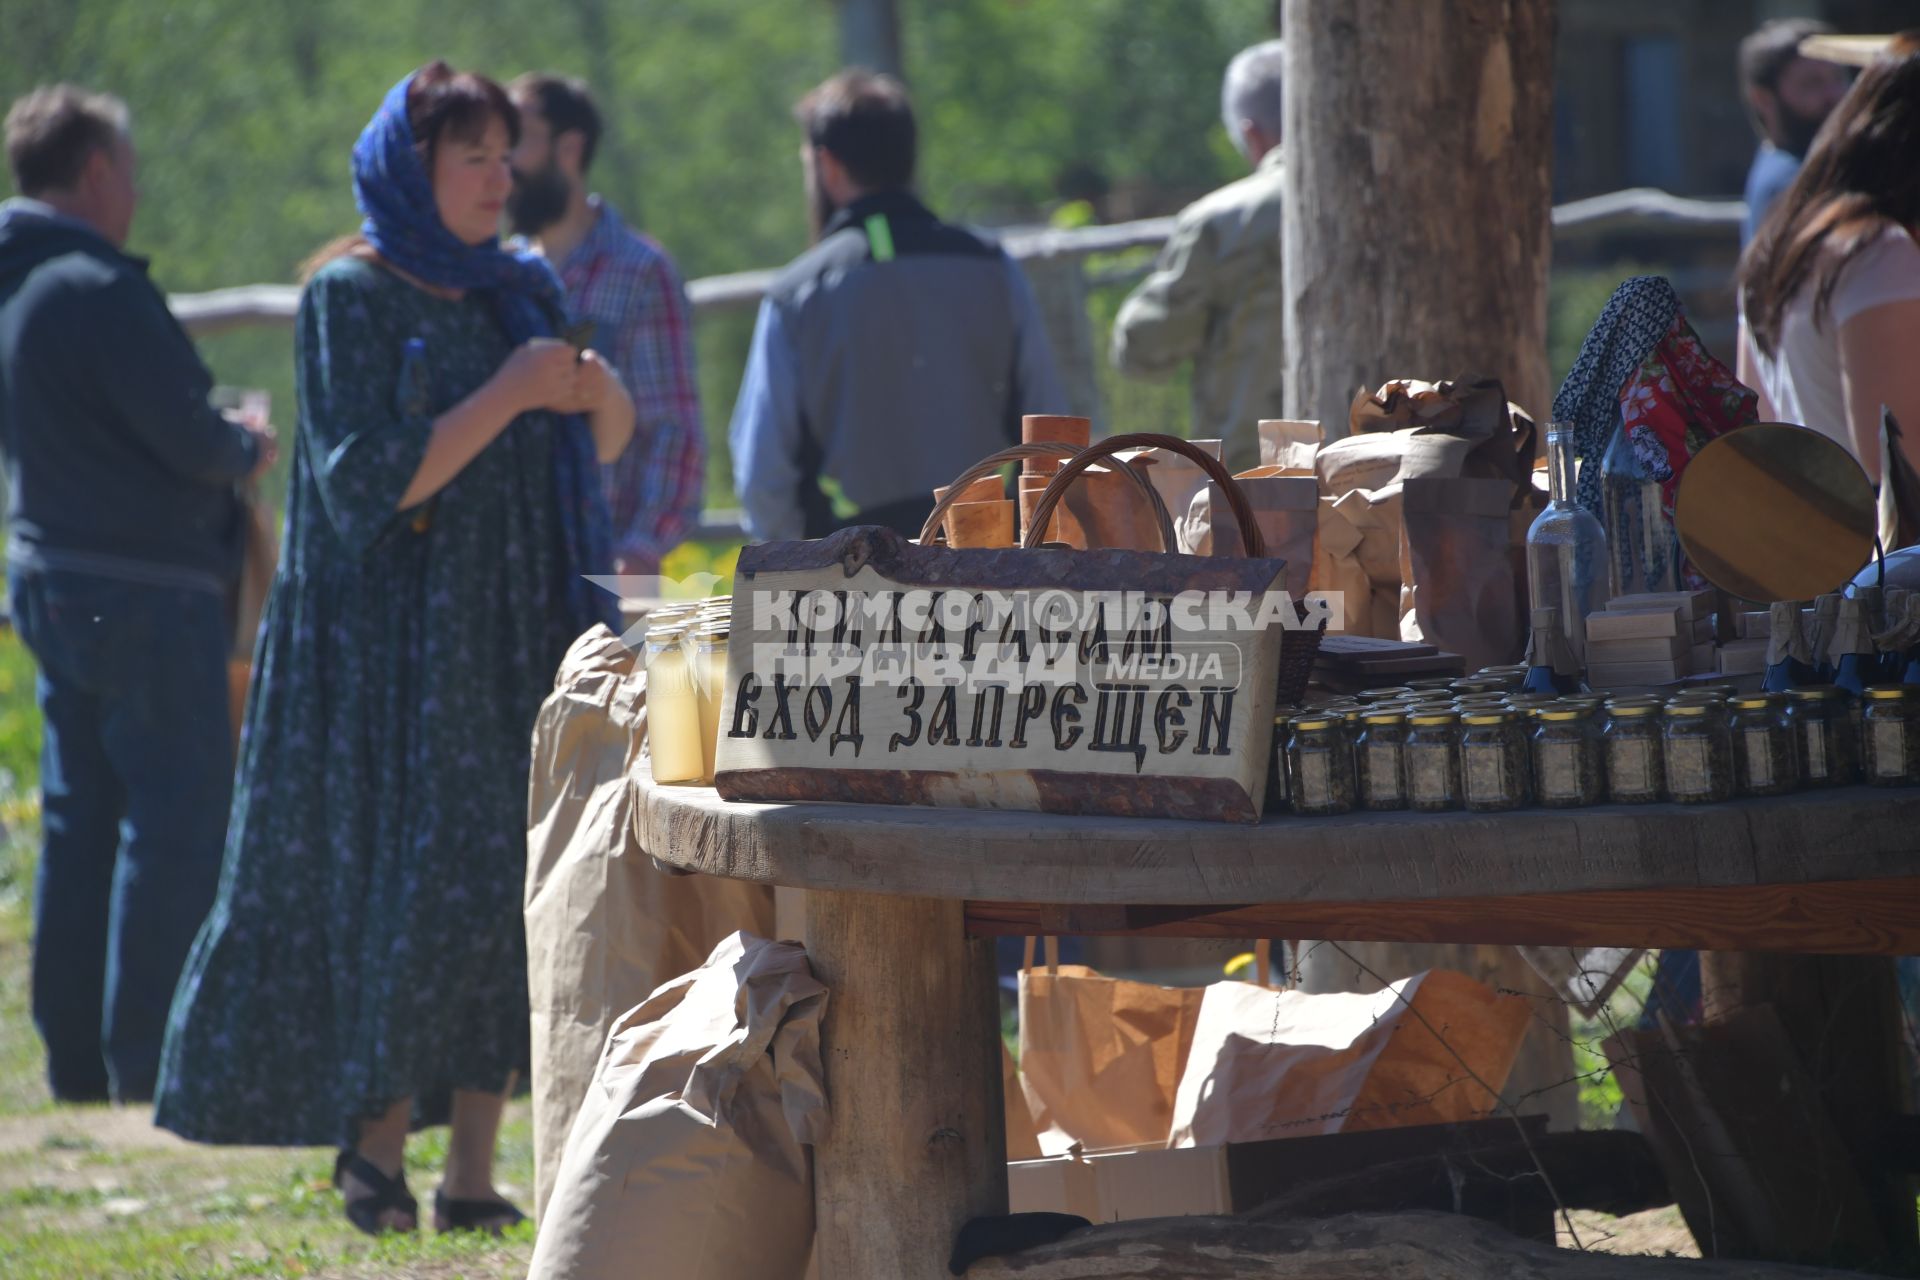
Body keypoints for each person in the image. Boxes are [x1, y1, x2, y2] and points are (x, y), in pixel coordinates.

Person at [154, 62, 633, 1237]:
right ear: (406, 168)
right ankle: (371, 1151)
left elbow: (610, 442)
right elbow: (365, 480)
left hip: (517, 629)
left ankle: (474, 1169)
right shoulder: (349, 299)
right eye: (469, 156)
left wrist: (585, 390)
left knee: (503, 891)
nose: (497, 176)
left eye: (503, 155)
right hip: (391, 657)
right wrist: (515, 394)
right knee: (404, 888)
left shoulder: (516, 287)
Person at [0, 85, 276, 1105]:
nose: (139, 190)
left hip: (52, 575)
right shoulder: (96, 288)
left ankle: (74, 1057)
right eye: (132, 169)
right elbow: (190, 439)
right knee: (173, 820)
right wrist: (243, 441)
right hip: (149, 593)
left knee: (80, 819)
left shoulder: (18, 285)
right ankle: (149, 1060)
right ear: (98, 172)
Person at [729, 69, 1066, 543]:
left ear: (827, 166)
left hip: (853, 582)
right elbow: (1050, 423)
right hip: (990, 566)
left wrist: (801, 571)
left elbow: (763, 473)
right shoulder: (995, 269)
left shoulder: (795, 295)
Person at [507, 72, 704, 575]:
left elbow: (673, 433)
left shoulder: (640, 270)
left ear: (569, 148)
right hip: (511, 574)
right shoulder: (500, 276)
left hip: (603, 567)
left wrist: (637, 555)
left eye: (520, 140)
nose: (504, 163)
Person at [1737, 31, 1920, 482]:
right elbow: (1897, 466)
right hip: (1883, 546)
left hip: (1825, 539)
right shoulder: (1877, 257)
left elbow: (1754, 416)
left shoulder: (1785, 240)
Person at [1110, 39, 1287, 473]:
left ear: (1251, 134)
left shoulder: (1220, 222)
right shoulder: (1403, 192)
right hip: (1396, 472)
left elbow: (1143, 348)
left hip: (1256, 481)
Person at [1738, 18, 1851, 249]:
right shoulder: (1788, 183)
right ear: (1763, 99)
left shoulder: (1813, 168)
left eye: (1838, 78)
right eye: (1811, 84)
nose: (1835, 95)